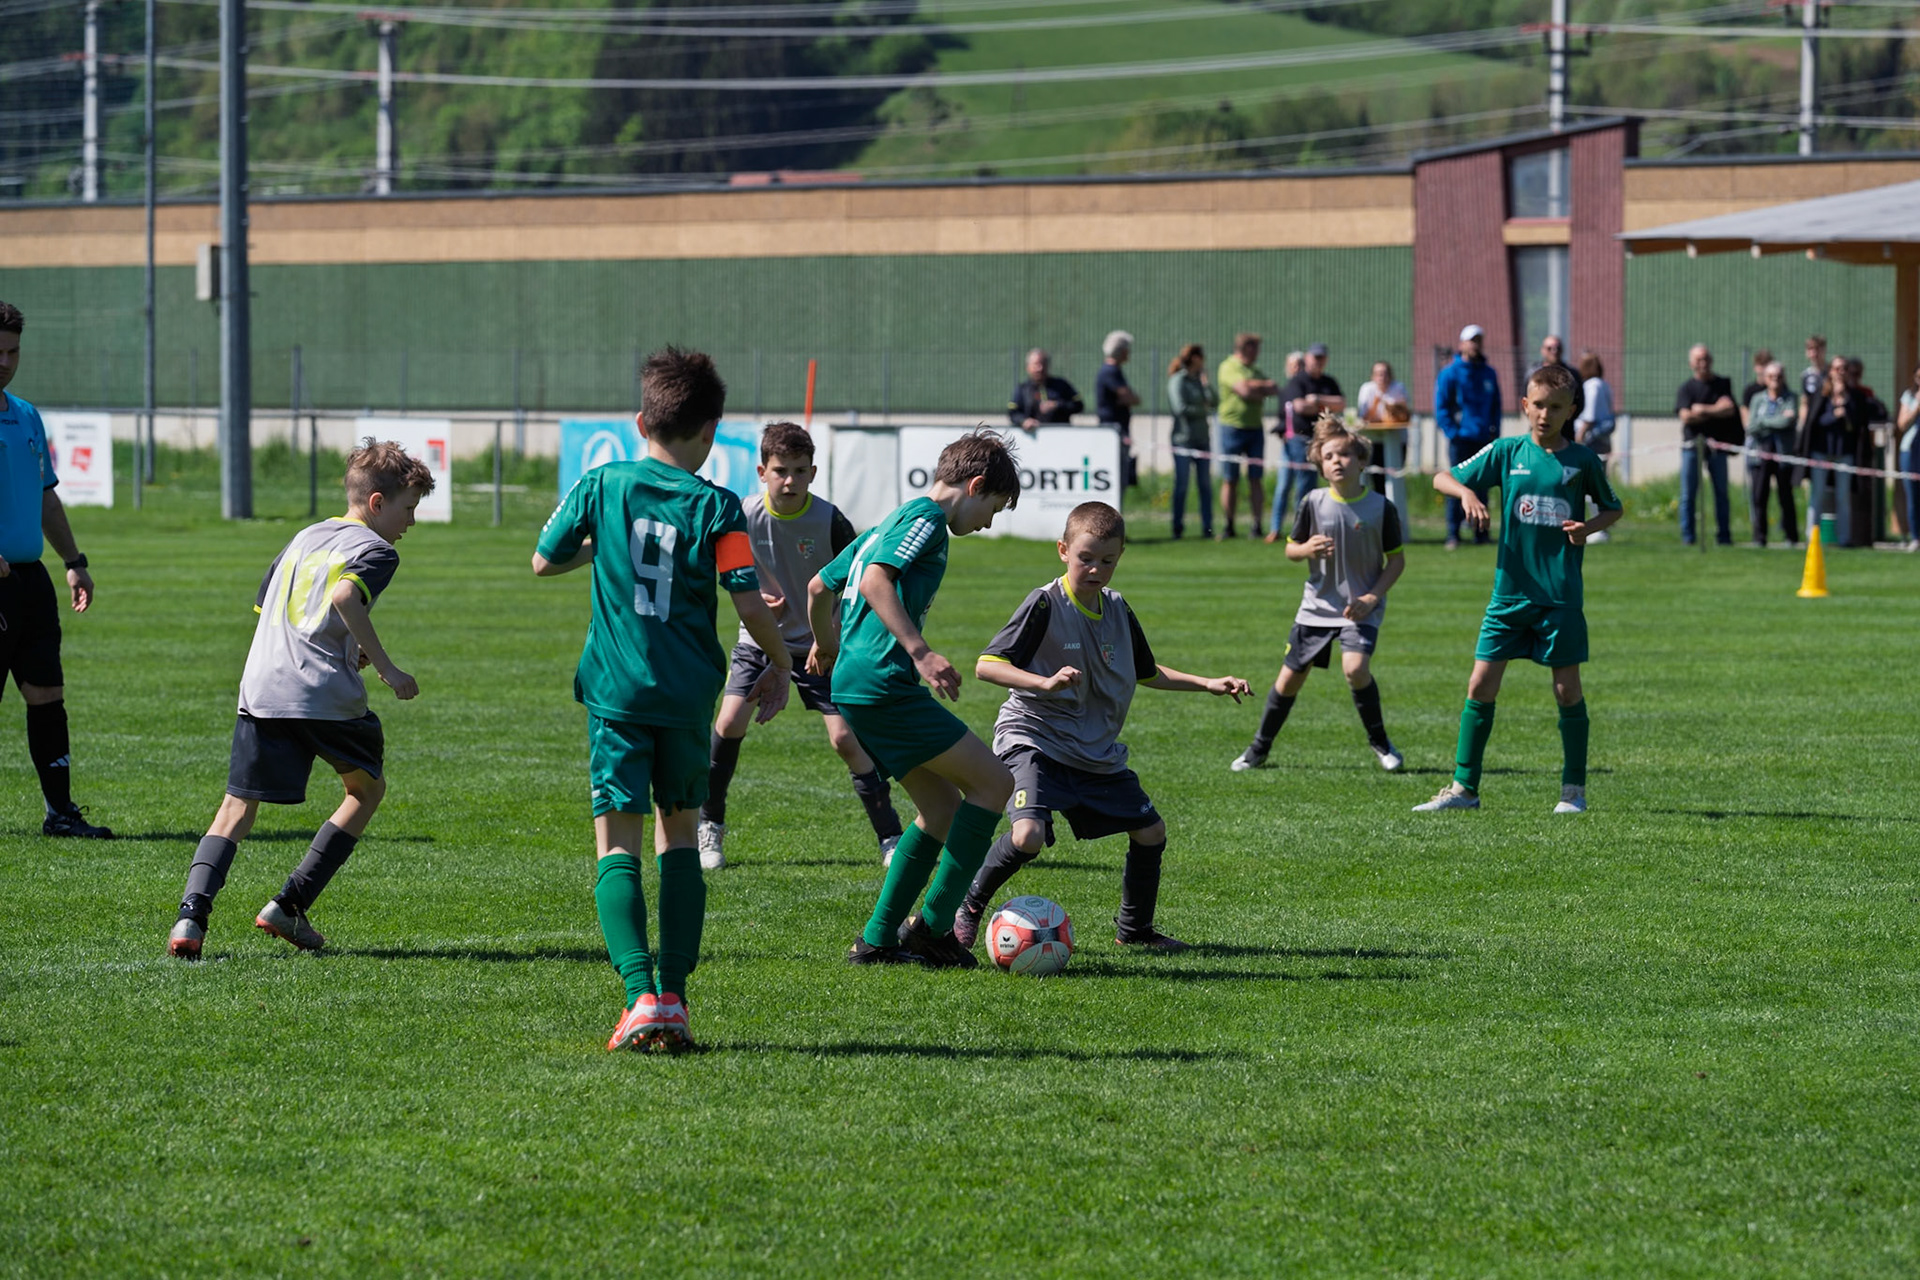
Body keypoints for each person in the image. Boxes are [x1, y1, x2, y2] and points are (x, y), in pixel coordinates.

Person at [533, 347, 793, 1054]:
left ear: (641, 421)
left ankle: (637, 997)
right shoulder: (718, 506)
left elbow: (544, 559)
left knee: (616, 842)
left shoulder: (602, 482)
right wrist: (780, 663)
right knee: (678, 838)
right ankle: (673, 998)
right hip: (686, 697)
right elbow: (748, 599)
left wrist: (608, 547)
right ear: (711, 430)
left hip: (617, 694)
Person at [166, 440, 433, 960]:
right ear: (377, 503)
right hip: (320, 692)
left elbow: (275, 608)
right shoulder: (378, 550)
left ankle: (190, 917)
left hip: (263, 685)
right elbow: (343, 596)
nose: (411, 522)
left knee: (235, 809)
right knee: (365, 789)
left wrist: (348, 645)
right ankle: (289, 904)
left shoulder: (304, 536)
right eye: (409, 508)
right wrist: (386, 667)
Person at [951, 501, 1249, 953]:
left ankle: (1135, 931)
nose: (1095, 569)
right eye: (1085, 558)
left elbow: (1146, 671)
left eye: (1107, 560)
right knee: (1028, 836)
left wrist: (1206, 683)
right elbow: (988, 665)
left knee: (1150, 832)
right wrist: (1043, 683)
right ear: (1063, 551)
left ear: (1120, 556)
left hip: (1093, 752)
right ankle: (969, 906)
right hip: (1034, 737)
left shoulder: (1118, 609)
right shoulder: (1045, 604)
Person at [806, 429, 1021, 968]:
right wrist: (920, 652)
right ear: (975, 486)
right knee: (995, 783)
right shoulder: (927, 519)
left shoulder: (888, 522)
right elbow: (876, 581)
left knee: (941, 808)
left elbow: (818, 587)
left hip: (855, 684)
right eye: (993, 509)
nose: (988, 523)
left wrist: (827, 645)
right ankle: (933, 928)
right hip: (883, 683)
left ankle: (877, 941)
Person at [1416, 363, 1622, 815]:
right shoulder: (1507, 451)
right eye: (1538, 405)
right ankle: (1464, 789)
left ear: (1571, 410)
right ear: (1525, 405)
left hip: (1559, 595)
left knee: (1567, 691)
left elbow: (1613, 508)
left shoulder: (1583, 460)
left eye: (1556, 407)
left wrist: (1587, 529)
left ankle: (1573, 791)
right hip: (1508, 595)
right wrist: (1467, 494)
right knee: (1479, 685)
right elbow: (1441, 477)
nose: (1546, 415)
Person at [697, 422, 903, 872]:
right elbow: (719, 567)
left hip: (819, 646)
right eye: (780, 471)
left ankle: (891, 836)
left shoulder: (830, 521)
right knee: (728, 721)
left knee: (845, 739)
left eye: (799, 471)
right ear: (762, 472)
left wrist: (829, 634)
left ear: (813, 473)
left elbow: (857, 583)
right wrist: (750, 597)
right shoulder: (741, 515)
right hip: (760, 638)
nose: (789, 480)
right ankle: (709, 826)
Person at [1232, 416, 1404, 774]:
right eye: (1329, 457)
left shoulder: (1381, 507)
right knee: (1289, 679)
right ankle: (1258, 749)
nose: (1337, 461)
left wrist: (1372, 598)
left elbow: (1397, 561)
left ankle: (1381, 742)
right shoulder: (1312, 502)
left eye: (1345, 454)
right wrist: (1306, 548)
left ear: (1361, 461)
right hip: (1317, 606)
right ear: (1320, 466)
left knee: (1355, 669)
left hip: (1360, 607)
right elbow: (1290, 549)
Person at [0, 301, 111, 840]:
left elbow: (45, 497)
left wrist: (74, 561)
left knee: (47, 694)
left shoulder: (26, 415)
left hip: (29, 582)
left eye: (13, 351)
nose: (5, 362)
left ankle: (60, 813)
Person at [1433, 324, 1503, 549]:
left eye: (1479, 340)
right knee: (1457, 484)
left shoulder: (1489, 373)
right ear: (1462, 344)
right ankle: (1453, 534)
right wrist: (1453, 433)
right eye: (1472, 340)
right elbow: (1441, 407)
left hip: (1483, 438)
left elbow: (1496, 405)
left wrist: (1494, 431)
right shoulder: (1450, 373)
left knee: (1483, 486)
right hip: (1461, 439)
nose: (1475, 345)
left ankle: (1481, 533)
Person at [1267, 343, 1344, 543]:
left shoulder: (1328, 382)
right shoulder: (1297, 381)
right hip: (1296, 440)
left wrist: (1316, 400)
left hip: (1318, 441)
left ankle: (1301, 528)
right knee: (1288, 486)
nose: (1318, 361)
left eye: (1321, 357)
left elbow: (1340, 403)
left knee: (1306, 486)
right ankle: (1279, 528)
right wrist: (1326, 406)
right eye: (1315, 357)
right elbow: (1300, 407)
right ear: (1308, 358)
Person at [1798, 355, 1871, 548]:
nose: (1841, 372)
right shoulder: (1821, 395)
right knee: (1817, 495)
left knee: (1843, 497)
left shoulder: (1854, 397)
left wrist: (1845, 406)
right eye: (1837, 368)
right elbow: (1814, 423)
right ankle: (1812, 538)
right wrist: (1833, 415)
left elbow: (1857, 425)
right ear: (1830, 371)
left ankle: (1844, 539)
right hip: (1821, 451)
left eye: (1844, 369)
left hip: (1844, 452)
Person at [1216, 333, 1279, 540]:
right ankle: (1229, 524)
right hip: (1232, 428)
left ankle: (1257, 525)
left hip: (1255, 429)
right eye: (1255, 348)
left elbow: (1273, 388)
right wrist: (1259, 388)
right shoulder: (1228, 366)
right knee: (1230, 478)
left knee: (1255, 478)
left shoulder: (1254, 370)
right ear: (1246, 348)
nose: (1258, 353)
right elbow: (1244, 390)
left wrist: (1254, 387)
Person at [1674, 344, 1738, 546]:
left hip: (1717, 447)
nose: (1703, 363)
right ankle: (1688, 537)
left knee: (1721, 493)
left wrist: (1702, 409)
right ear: (1691, 363)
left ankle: (1724, 536)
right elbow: (1686, 416)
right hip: (1692, 447)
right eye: (1698, 359)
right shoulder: (1686, 388)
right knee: (1688, 494)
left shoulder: (1722, 384)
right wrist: (1715, 409)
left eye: (1706, 358)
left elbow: (1729, 410)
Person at [1743, 361, 1799, 548]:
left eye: (1779, 376)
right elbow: (1751, 426)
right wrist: (1775, 420)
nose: (1775, 380)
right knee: (1759, 495)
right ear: (1765, 379)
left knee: (1785, 495)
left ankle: (1791, 536)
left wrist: (1764, 422)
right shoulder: (1757, 399)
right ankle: (1759, 537)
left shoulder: (1790, 398)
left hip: (1782, 452)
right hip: (1761, 452)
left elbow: (1787, 422)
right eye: (1771, 376)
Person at [1165, 345, 1216, 540]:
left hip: (1203, 439)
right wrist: (1203, 410)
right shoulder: (1178, 380)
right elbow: (1180, 408)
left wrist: (1206, 385)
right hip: (1183, 441)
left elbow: (1214, 402)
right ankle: (1177, 528)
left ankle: (1207, 527)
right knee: (1182, 485)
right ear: (1194, 358)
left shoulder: (1199, 381)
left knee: (1205, 485)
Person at [1573, 350, 1616, 543]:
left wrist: (1579, 439)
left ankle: (1598, 528)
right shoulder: (1604, 385)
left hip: (1592, 440)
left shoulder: (1592, 386)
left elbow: (1589, 416)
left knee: (1591, 487)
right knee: (1599, 484)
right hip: (1602, 439)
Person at [1356, 358, 1411, 505]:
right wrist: (1376, 403)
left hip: (1396, 440)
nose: (1382, 377)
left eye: (1385, 373)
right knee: (1377, 478)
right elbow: (1363, 417)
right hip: (1374, 440)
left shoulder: (1398, 388)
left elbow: (1403, 415)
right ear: (1373, 376)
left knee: (1395, 478)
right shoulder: (1367, 389)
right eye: (1378, 374)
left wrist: (1390, 408)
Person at [1266, 349, 1308, 535]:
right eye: (1292, 365)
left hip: (1303, 443)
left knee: (1302, 488)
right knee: (1282, 487)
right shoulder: (1286, 391)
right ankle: (1275, 528)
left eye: (1299, 365)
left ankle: (1300, 529)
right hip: (1288, 445)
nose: (1296, 369)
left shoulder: (1307, 388)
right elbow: (1282, 416)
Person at [1095, 330, 1142, 486]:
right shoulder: (1111, 371)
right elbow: (1130, 397)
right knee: (1118, 474)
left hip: (1117, 429)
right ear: (1122, 351)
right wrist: (1130, 398)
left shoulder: (1113, 371)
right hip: (1114, 430)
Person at [1008, 349, 1082, 434]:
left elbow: (1078, 405)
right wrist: (1024, 421)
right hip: (1032, 437)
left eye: (1043, 364)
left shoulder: (1061, 385)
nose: (1040, 368)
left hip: (1060, 435)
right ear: (1028, 367)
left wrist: (1057, 405)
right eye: (1036, 364)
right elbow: (1012, 413)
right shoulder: (1022, 389)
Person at [1527, 335, 1586, 425]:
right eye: (1549, 348)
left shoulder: (1572, 374)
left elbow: (1580, 403)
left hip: (1566, 427)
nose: (1554, 351)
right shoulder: (1533, 373)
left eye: (1557, 348)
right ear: (1542, 350)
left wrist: (1563, 419)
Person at [1898, 364, 1920, 551]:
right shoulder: (1909, 396)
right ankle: (1915, 537)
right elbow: (1902, 424)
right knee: (1913, 496)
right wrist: (1917, 408)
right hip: (1910, 451)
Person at [1739, 348, 1774, 416]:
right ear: (1755, 367)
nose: (1763, 369)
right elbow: (1745, 412)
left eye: (1766, 365)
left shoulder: (1777, 388)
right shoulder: (1750, 390)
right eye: (1761, 365)